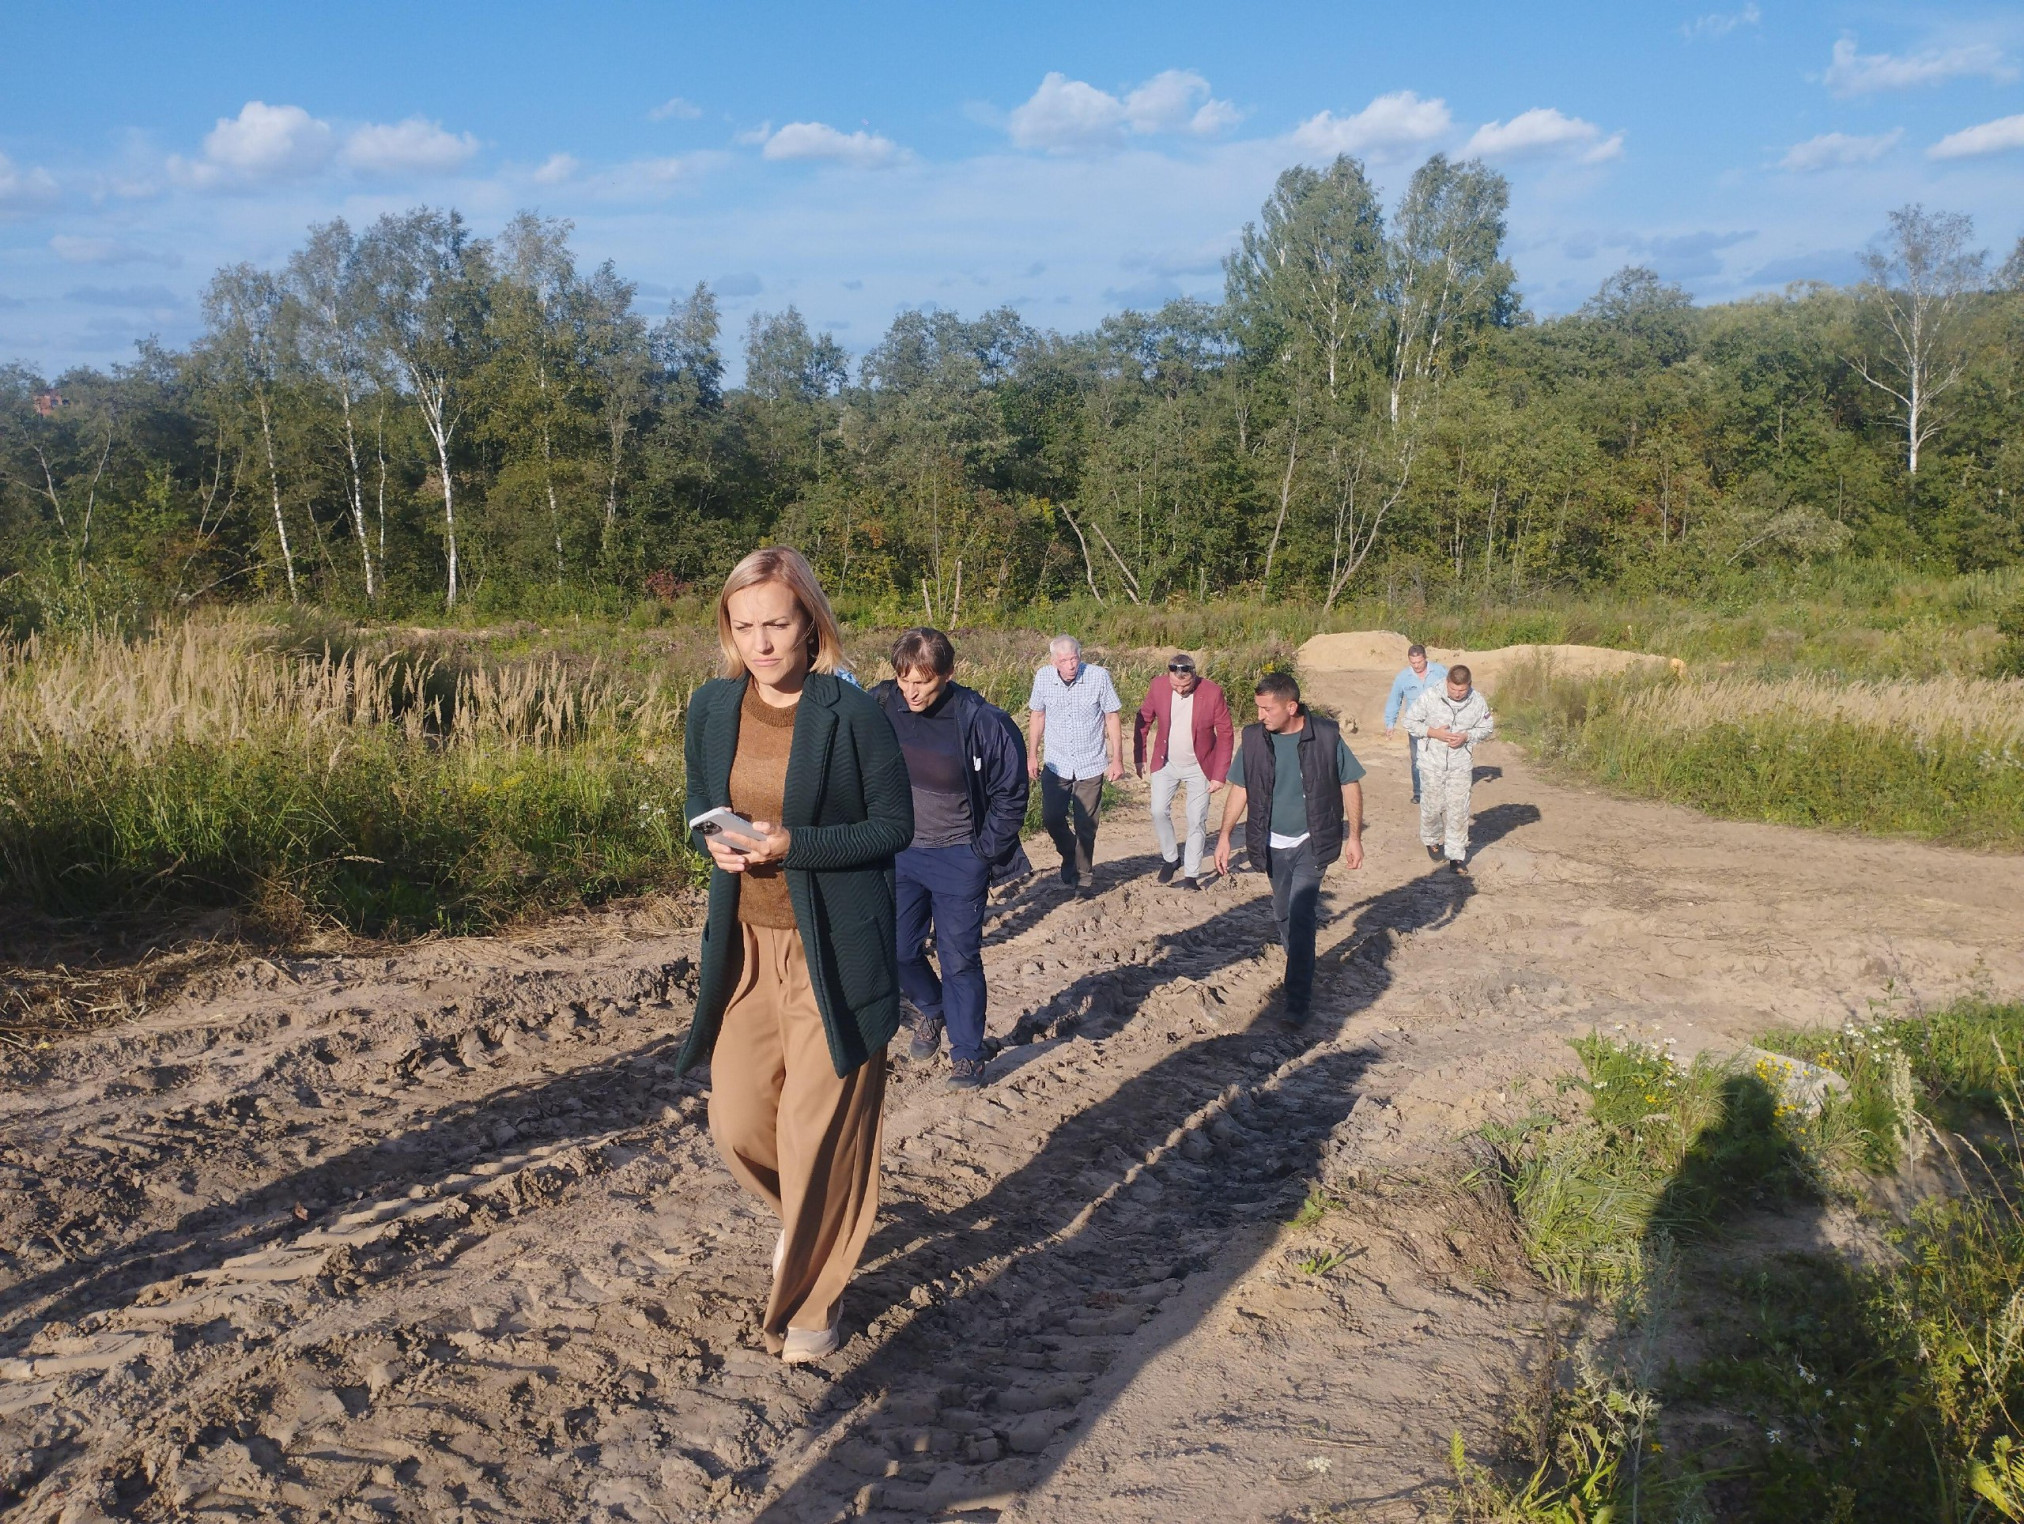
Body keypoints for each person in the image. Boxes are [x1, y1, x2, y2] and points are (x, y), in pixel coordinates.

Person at [679, 546, 913, 1364]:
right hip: (743, 945)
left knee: (821, 1134)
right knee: (739, 1122)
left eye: (777, 623)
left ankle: (814, 1302)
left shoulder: (853, 716)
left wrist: (795, 845)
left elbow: (893, 828)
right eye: (745, 627)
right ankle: (810, 1225)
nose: (762, 642)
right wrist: (716, 844)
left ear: (810, 623)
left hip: (833, 954)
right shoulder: (711, 709)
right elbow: (694, 800)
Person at [870, 627, 1032, 1091]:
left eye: (922, 680)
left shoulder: (981, 720)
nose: (911, 690)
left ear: (948, 673)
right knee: (898, 950)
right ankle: (933, 1008)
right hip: (901, 852)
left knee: (958, 958)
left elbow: (1011, 794)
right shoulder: (882, 704)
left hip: (960, 856)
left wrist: (982, 853)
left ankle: (967, 1054)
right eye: (904, 679)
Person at [1213, 672, 1365, 1025]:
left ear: (1291, 706)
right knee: (1282, 912)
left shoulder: (1326, 737)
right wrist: (1224, 836)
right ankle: (1301, 958)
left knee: (1300, 914)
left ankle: (1297, 1000)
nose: (1261, 715)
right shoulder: (1252, 740)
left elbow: (1350, 783)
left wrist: (1354, 836)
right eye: (1258, 709)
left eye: (1268, 709)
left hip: (1311, 841)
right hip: (1271, 843)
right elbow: (1241, 788)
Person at [1026, 635, 1123, 892]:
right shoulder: (1043, 677)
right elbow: (1037, 715)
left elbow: (1111, 716)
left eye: (1074, 659)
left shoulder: (1098, 676)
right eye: (1064, 660)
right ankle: (1070, 854)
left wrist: (1117, 759)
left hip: (1090, 762)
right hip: (1056, 763)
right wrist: (1032, 755)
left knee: (1086, 824)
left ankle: (1083, 875)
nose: (1070, 665)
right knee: (1052, 817)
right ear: (1053, 661)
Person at [1133, 652, 1233, 890]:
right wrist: (1140, 756)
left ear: (1194, 677)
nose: (1179, 690)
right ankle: (1171, 858)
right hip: (1165, 762)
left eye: (1185, 685)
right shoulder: (1158, 686)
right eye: (1175, 685)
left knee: (1196, 819)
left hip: (1200, 766)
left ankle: (1191, 874)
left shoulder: (1212, 692)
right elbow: (1143, 720)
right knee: (1158, 811)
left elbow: (1226, 733)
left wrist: (1219, 775)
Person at [1404, 663, 1495, 874]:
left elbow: (1487, 727)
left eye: (1462, 690)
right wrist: (1433, 732)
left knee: (1458, 811)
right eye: (1453, 689)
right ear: (1447, 683)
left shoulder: (1477, 701)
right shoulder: (1431, 696)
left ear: (1469, 685)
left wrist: (1467, 736)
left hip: (1460, 765)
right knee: (1432, 808)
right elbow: (1409, 721)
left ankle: (1456, 855)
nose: (1457, 694)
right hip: (1431, 764)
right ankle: (1432, 839)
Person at [1383, 643, 1448, 803]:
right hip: (1416, 724)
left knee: (1439, 758)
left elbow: (1455, 689)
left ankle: (1440, 792)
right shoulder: (1403, 677)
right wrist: (1390, 723)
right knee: (1417, 759)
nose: (1417, 666)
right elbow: (1394, 700)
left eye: (1419, 662)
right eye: (1413, 663)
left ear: (1425, 658)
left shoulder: (1440, 672)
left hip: (1438, 723)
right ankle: (1419, 793)